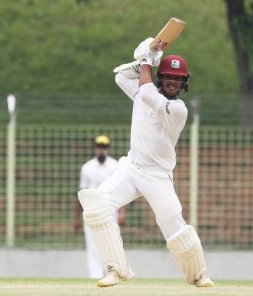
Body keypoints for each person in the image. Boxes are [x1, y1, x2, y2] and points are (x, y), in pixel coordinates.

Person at [77, 37, 214, 288]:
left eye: (178, 79)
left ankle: (199, 273)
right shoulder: (144, 88)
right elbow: (120, 77)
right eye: (169, 77)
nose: (173, 82)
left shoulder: (178, 109)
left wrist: (149, 60)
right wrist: (145, 60)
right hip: (131, 168)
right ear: (161, 78)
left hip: (158, 175)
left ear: (184, 83)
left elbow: (149, 94)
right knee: (96, 206)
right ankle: (115, 269)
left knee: (175, 229)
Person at [74, 135, 126, 279]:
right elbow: (81, 194)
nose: (101, 150)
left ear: (108, 148)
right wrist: (76, 217)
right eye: (99, 147)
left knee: (111, 244)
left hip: (109, 211)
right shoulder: (87, 167)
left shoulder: (115, 166)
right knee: (92, 246)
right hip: (91, 212)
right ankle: (95, 276)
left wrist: (122, 211)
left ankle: (113, 273)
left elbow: (120, 191)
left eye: (104, 147)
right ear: (95, 148)